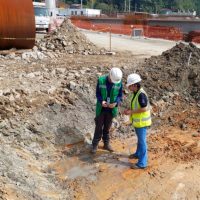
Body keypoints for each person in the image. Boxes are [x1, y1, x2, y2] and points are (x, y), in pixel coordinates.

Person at [91, 67, 123, 154]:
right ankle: (95, 145)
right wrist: (101, 101)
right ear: (109, 75)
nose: (113, 82)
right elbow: (97, 93)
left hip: (111, 108)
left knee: (107, 127)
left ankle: (106, 143)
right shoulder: (101, 80)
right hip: (101, 108)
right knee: (98, 127)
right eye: (112, 80)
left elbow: (120, 95)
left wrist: (116, 103)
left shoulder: (118, 81)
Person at [123, 73, 151, 169]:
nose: (129, 88)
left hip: (142, 123)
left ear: (135, 85)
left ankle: (142, 163)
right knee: (140, 140)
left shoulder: (141, 94)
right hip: (138, 122)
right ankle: (138, 154)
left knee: (142, 142)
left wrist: (131, 112)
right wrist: (128, 109)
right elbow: (135, 105)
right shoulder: (136, 93)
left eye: (130, 86)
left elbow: (144, 108)